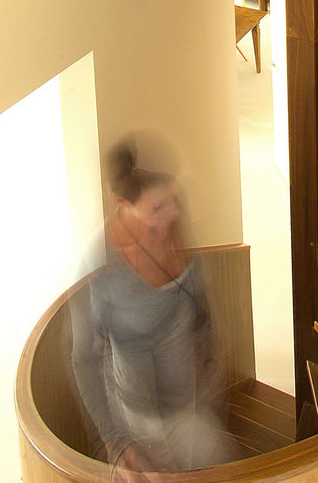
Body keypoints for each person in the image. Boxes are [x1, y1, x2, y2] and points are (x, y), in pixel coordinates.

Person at [71, 139, 232, 478]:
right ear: (121, 206)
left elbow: (197, 291)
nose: (172, 212)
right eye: (158, 208)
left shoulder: (172, 223)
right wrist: (118, 442)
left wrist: (206, 341)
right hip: (141, 424)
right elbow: (85, 359)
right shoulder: (101, 266)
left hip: (190, 406)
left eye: (172, 201)